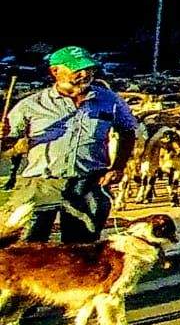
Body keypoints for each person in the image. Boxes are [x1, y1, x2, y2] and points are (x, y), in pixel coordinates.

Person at [0, 47, 136, 242]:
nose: (85, 74)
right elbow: (7, 147)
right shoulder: (30, 105)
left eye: (89, 69)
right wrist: (4, 137)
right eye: (77, 70)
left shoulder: (110, 100)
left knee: (82, 248)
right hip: (40, 184)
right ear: (55, 71)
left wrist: (118, 167)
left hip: (88, 182)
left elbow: (127, 131)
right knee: (25, 246)